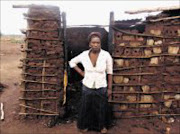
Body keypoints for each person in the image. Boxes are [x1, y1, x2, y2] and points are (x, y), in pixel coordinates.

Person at [69, 32, 113, 133]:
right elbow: (72, 62)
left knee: (101, 108)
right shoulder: (84, 55)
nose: (96, 44)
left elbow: (110, 72)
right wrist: (81, 72)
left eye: (98, 42)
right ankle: (85, 126)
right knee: (86, 107)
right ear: (90, 44)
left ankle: (101, 126)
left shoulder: (106, 55)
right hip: (87, 85)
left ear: (100, 44)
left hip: (101, 86)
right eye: (93, 42)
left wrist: (109, 88)